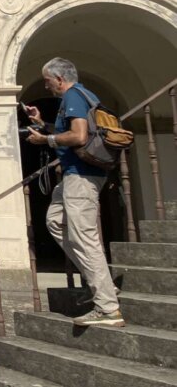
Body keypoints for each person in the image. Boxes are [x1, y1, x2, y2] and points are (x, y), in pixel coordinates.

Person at [26, 57, 124, 327]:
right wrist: (43, 124)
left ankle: (107, 308)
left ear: (59, 78)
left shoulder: (73, 95)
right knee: (55, 221)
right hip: (73, 175)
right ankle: (101, 282)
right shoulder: (80, 96)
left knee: (84, 237)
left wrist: (45, 139)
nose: (47, 87)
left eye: (48, 81)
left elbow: (79, 137)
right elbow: (72, 132)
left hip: (81, 176)